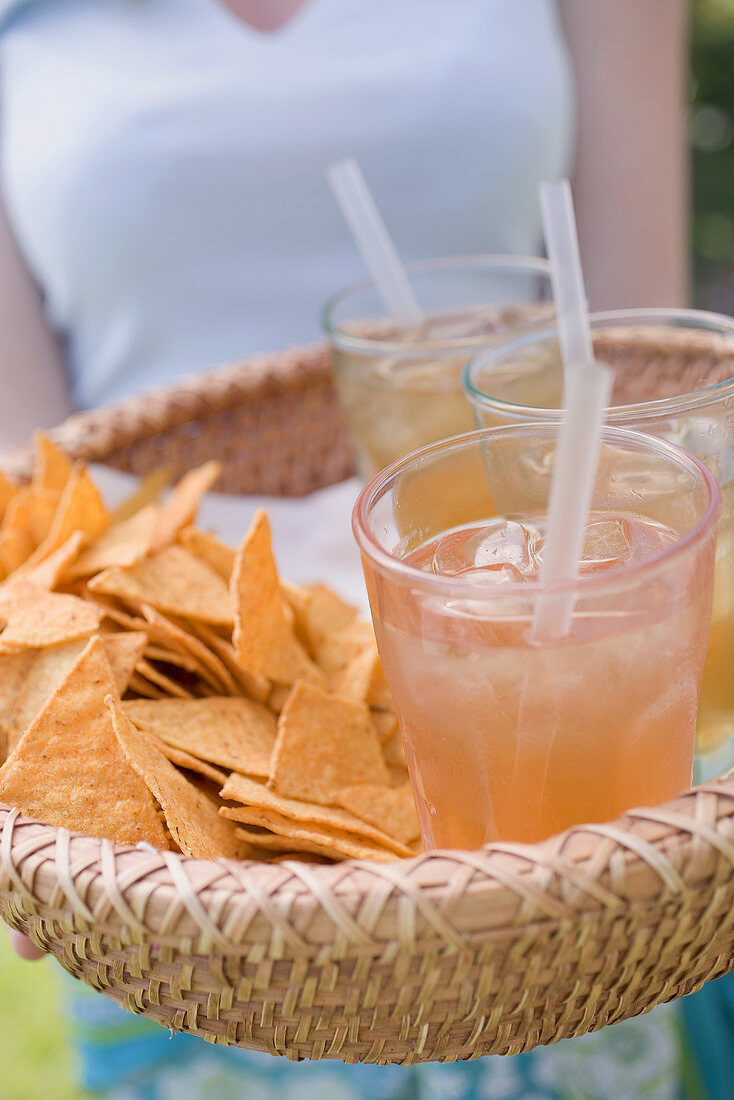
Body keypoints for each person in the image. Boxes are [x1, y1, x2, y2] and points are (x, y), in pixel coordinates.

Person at [4, 1, 722, 1098]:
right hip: (168, 765)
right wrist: (46, 766)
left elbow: (627, 371)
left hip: (571, 800)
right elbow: (28, 466)